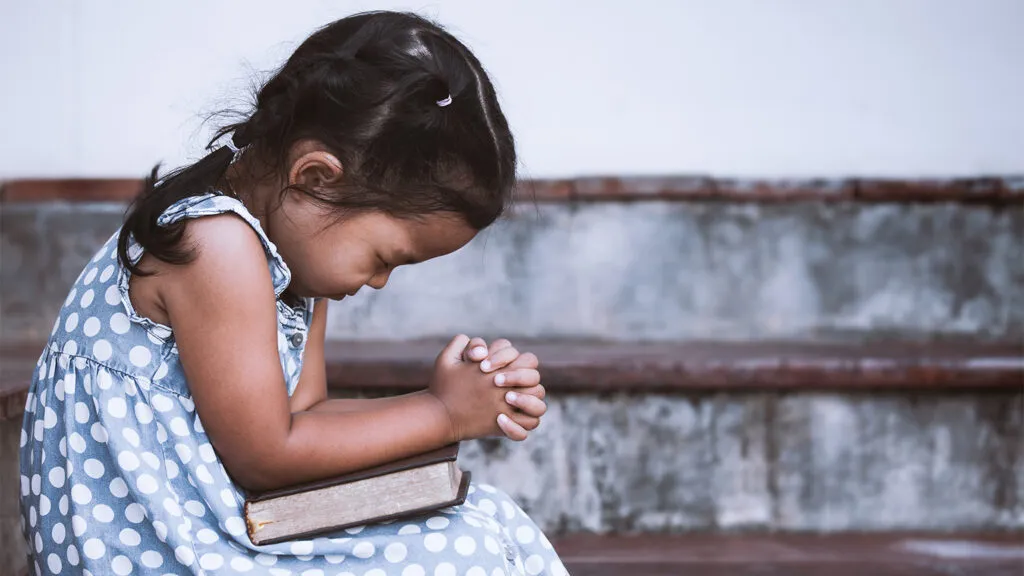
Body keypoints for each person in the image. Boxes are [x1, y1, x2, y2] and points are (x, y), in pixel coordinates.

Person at [19, 11, 568, 576]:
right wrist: (442, 412)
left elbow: (305, 416)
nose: (378, 282)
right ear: (315, 178)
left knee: (487, 519)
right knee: (457, 555)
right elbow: (267, 454)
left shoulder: (291, 254)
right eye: (385, 259)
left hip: (211, 525)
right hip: (151, 550)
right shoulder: (216, 246)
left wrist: (456, 401)